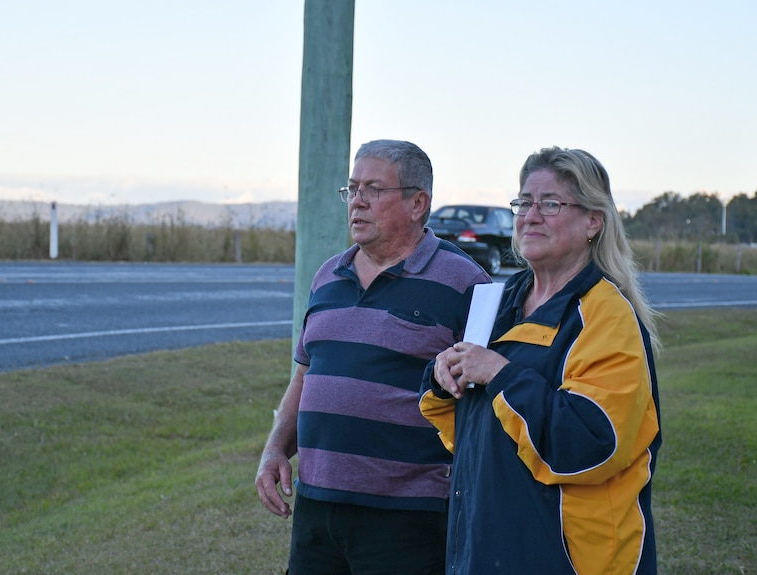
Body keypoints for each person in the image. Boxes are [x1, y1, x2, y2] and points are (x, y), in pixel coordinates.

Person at [420, 146, 662, 575]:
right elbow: (472, 432)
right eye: (523, 202)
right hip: (485, 547)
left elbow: (590, 444)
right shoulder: (498, 301)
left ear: (593, 221)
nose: (530, 215)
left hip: (567, 558)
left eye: (550, 203)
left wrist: (499, 373)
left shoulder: (606, 316)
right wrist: (443, 376)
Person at [255, 139, 492, 574]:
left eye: (374, 190)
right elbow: (304, 378)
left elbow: (483, 403)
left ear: (418, 202)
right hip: (316, 509)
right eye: (352, 189)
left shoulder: (465, 283)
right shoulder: (328, 275)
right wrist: (275, 451)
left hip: (408, 518)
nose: (357, 202)